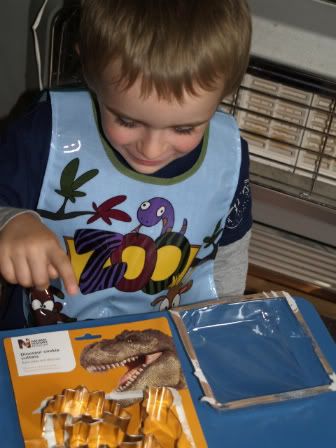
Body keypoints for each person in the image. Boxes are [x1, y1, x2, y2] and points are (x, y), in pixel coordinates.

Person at [0, 0, 252, 329]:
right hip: (42, 340)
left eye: (183, 128)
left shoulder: (227, 159)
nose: (151, 149)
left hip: (170, 344)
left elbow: (229, 254)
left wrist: (223, 325)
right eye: (127, 121)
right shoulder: (42, 134)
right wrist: (10, 221)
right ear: (90, 68)